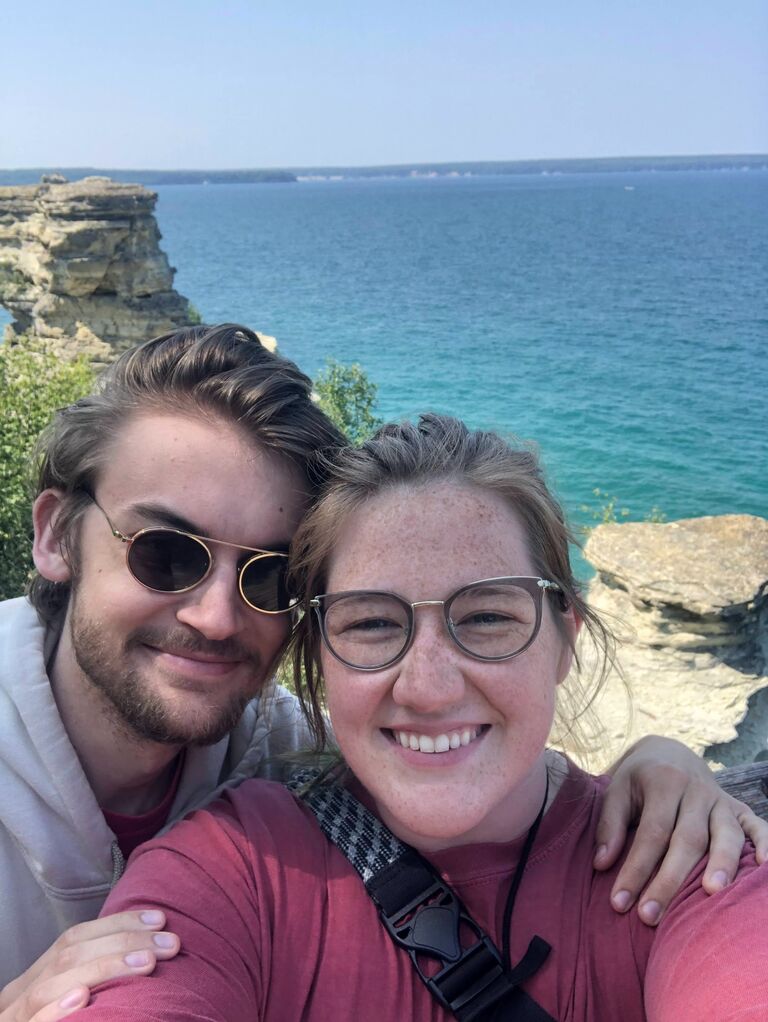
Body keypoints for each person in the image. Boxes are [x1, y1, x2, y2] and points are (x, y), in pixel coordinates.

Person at [66, 414, 768, 1021]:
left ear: (565, 641)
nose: (428, 688)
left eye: (489, 617)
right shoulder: (228, 872)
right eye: (372, 623)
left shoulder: (684, 864)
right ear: (318, 657)